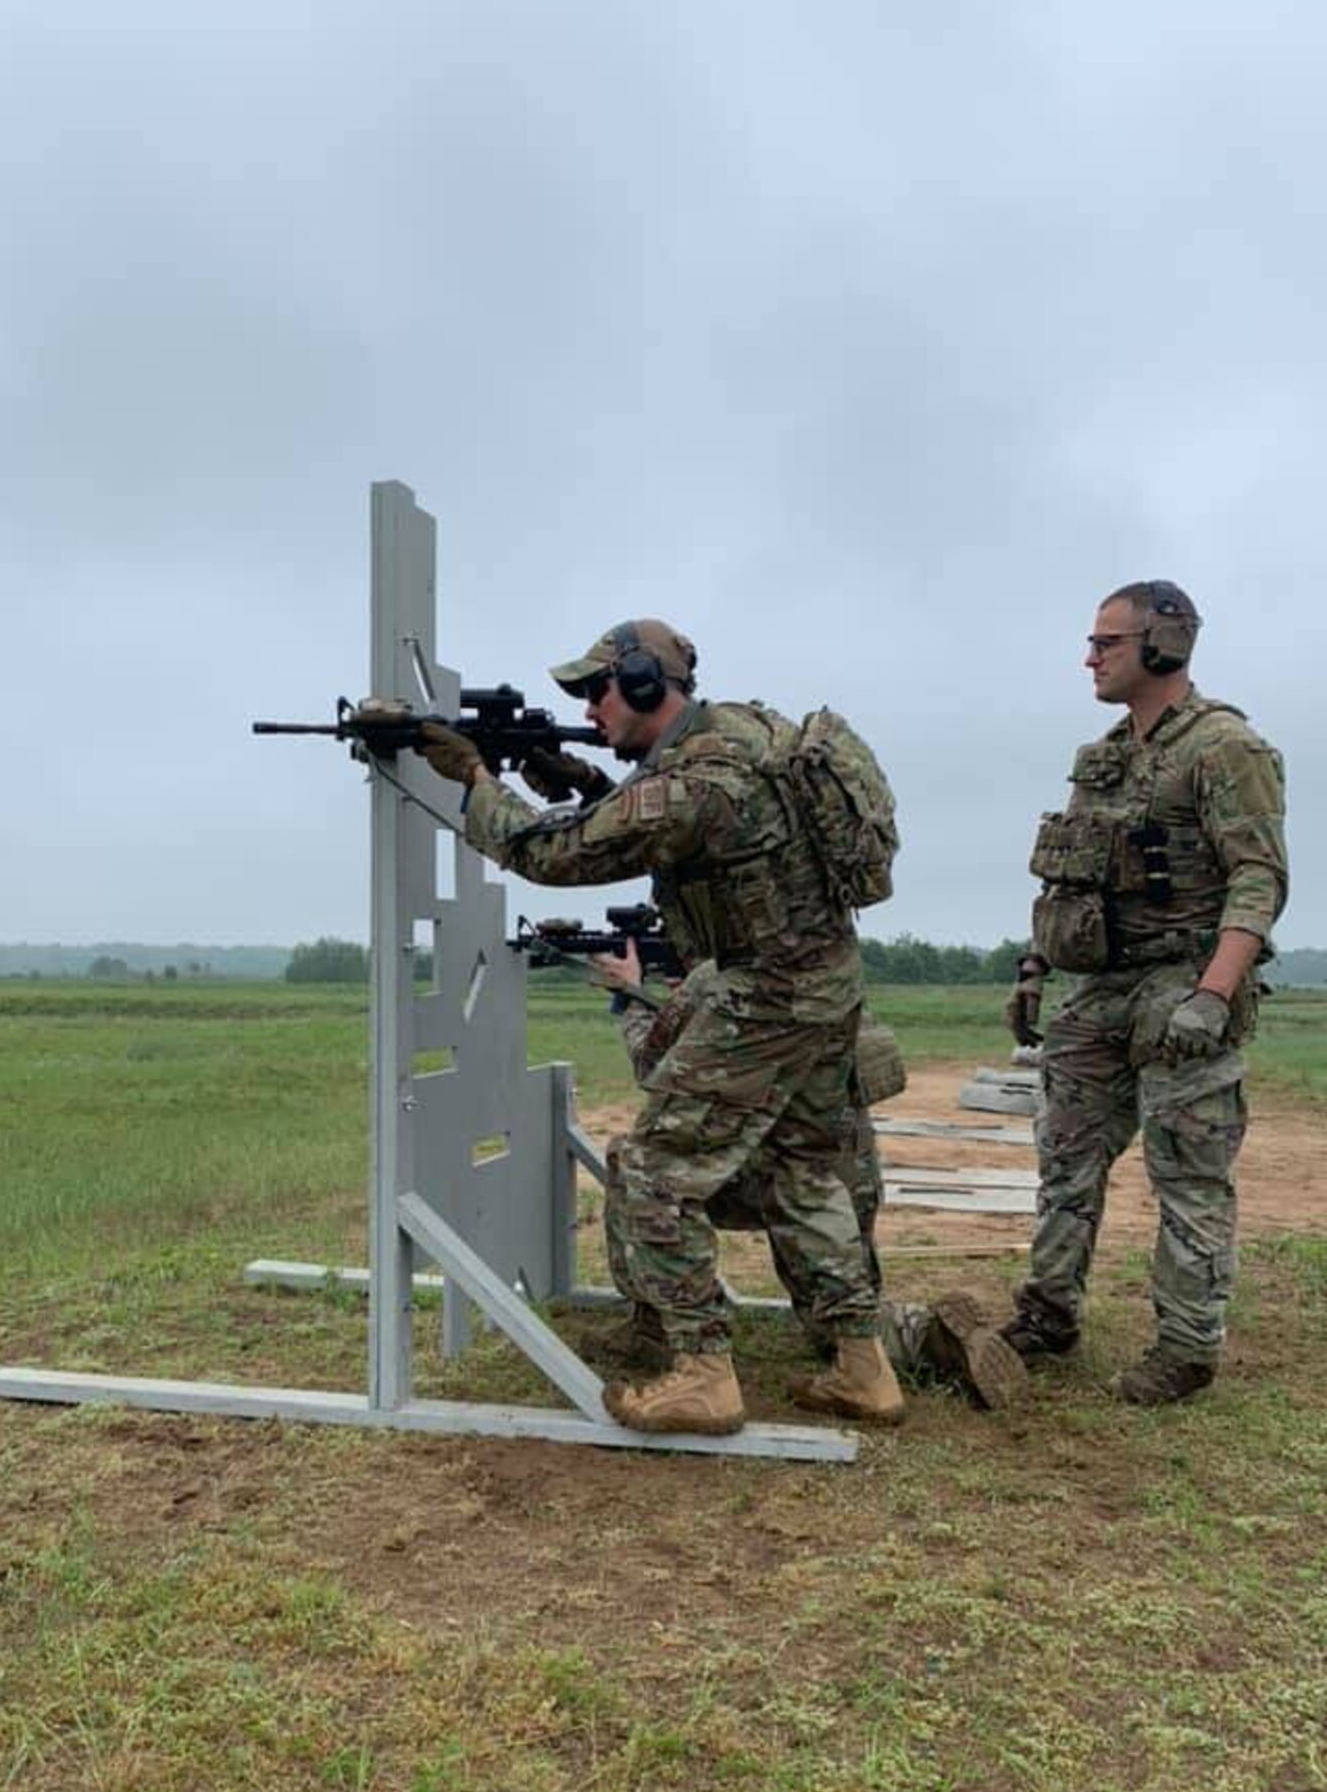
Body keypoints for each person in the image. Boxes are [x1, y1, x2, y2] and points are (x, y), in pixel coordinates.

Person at [416, 619, 901, 1434]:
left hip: (766, 993)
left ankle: (704, 1370)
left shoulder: (696, 784)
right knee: (804, 1172)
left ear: (646, 684)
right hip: (824, 984)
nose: (589, 708)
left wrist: (475, 781)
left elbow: (556, 857)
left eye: (596, 691)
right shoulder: (747, 732)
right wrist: (573, 774)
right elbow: (656, 816)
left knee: (654, 1169)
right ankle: (862, 1364)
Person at [1001, 581, 1288, 1405]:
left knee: (1189, 1175)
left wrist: (1213, 995)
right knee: (1065, 1158)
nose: (1089, 657)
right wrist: (1036, 967)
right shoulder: (1107, 756)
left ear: (1161, 645)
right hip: (1100, 987)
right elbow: (1070, 871)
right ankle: (1047, 1315)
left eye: (1107, 643)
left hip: (1184, 983)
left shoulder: (1223, 748)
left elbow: (1258, 879)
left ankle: (1187, 1348)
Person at [593, 948, 1028, 1413]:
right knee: (840, 1323)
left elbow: (653, 1065)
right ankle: (929, 1335)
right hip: (842, 1178)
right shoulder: (829, 974)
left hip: (774, 1177)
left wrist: (632, 994)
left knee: (638, 1166)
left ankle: (653, 1324)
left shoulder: (724, 980)